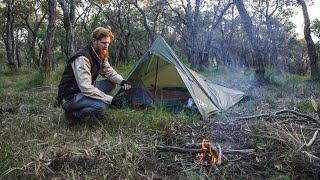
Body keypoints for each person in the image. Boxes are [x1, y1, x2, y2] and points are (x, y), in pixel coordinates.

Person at [56, 26, 131, 127]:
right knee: (101, 106)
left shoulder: (100, 53)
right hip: (70, 96)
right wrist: (111, 100)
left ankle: (90, 104)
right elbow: (86, 88)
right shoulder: (83, 58)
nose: (106, 46)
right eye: (103, 43)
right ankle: (73, 115)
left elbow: (109, 71)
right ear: (94, 40)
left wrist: (122, 81)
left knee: (111, 84)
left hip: (82, 89)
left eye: (108, 43)